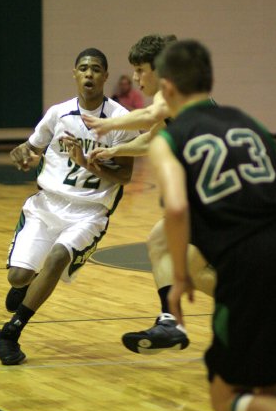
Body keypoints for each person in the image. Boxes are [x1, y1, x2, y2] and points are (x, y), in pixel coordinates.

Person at [149, 39, 276, 411]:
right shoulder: (251, 123)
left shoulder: (170, 139)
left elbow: (176, 208)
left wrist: (179, 277)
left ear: (168, 88)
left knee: (225, 397)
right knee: (271, 393)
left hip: (250, 263)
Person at [0, 48, 137, 365]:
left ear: (105, 76)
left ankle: (11, 331)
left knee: (58, 257)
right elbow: (28, 148)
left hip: (89, 213)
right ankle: (27, 285)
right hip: (46, 205)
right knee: (18, 277)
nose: (89, 73)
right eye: (84, 68)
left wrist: (85, 162)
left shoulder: (120, 121)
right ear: (75, 74)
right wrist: (21, 156)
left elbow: (125, 176)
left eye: (96, 69)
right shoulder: (58, 114)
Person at [84, 33, 215, 353]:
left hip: (221, 195)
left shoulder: (174, 93)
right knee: (176, 257)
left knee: (178, 256)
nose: (137, 77)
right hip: (210, 195)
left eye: (141, 70)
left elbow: (146, 118)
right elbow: (152, 138)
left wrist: (105, 127)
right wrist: (112, 150)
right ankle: (173, 322)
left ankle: (253, 310)